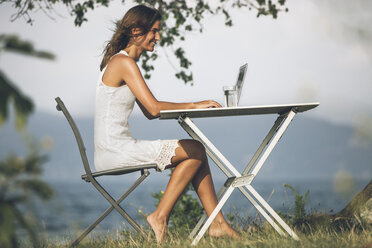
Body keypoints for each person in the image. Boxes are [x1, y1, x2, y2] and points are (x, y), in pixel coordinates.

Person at [94, 4, 239, 242]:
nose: (158, 37)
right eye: (154, 31)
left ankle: (217, 224)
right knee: (195, 149)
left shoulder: (123, 63)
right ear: (135, 31)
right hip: (115, 150)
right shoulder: (123, 63)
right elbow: (153, 108)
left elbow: (151, 112)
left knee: (195, 151)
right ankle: (163, 217)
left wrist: (193, 105)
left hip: (114, 148)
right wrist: (195, 104)